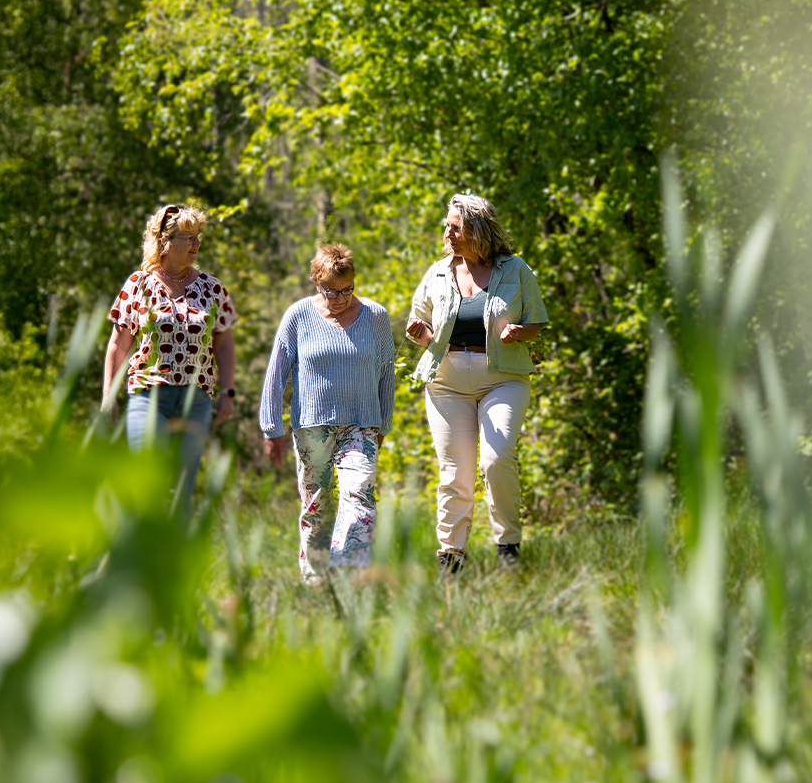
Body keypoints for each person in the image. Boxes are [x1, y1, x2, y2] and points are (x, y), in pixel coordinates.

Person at [406, 194, 548, 573]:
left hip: (502, 378)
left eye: (456, 227)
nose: (448, 234)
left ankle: (508, 549)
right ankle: (450, 557)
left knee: (497, 457)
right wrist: (420, 334)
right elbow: (419, 326)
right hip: (447, 381)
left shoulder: (515, 269)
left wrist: (521, 333)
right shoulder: (437, 272)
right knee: (454, 471)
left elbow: (536, 322)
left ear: (478, 230)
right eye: (446, 227)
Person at [260, 243, 394, 584]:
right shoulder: (298, 315)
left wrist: (383, 423)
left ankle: (348, 573)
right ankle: (315, 580)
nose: (339, 298)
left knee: (360, 497)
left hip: (361, 425)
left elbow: (386, 373)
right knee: (315, 506)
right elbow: (277, 373)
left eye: (347, 290)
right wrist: (271, 426)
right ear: (316, 283)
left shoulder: (375, 317)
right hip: (311, 427)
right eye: (330, 291)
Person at [101, 203, 237, 518]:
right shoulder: (138, 284)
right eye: (188, 237)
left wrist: (227, 392)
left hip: (196, 398)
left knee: (181, 489)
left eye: (198, 236)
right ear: (165, 241)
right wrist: (109, 394)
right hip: (148, 394)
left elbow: (225, 343)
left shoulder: (212, 287)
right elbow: (119, 345)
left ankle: (174, 561)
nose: (197, 244)